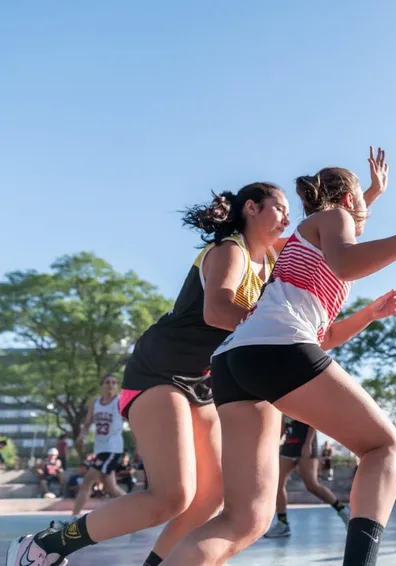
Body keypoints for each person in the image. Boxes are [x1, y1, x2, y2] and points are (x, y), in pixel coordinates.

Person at [160, 164, 396, 566]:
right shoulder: (332, 220)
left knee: (242, 520)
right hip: (276, 346)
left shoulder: (311, 245)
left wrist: (368, 314)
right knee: (385, 447)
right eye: (361, 200)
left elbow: (323, 338)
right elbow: (347, 249)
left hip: (235, 358)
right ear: (348, 200)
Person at [7, 180, 293, 566]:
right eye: (279, 207)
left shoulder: (270, 262)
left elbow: (323, 242)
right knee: (171, 496)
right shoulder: (231, 250)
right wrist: (277, 330)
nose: (288, 217)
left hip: (201, 382)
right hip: (160, 370)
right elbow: (217, 311)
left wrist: (365, 199)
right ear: (252, 209)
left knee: (211, 496)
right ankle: (47, 544)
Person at [264, 417, 350, 539]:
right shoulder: (282, 407)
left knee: (312, 485)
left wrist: (308, 443)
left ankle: (342, 510)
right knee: (277, 483)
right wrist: (271, 446)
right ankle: (282, 523)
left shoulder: (300, 401)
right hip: (289, 447)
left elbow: (313, 421)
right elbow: (282, 429)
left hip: (305, 446)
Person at [67, 375, 127, 521]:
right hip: (100, 448)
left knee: (87, 481)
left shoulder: (119, 401)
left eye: (114, 382)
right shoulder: (96, 403)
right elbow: (88, 423)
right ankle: (139, 509)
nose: (110, 385)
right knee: (111, 488)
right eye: (107, 382)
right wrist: (82, 435)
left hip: (113, 449)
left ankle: (73, 519)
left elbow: (132, 418)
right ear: (101, 386)